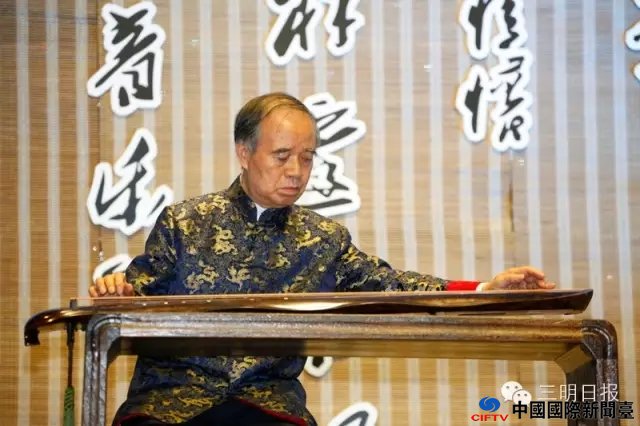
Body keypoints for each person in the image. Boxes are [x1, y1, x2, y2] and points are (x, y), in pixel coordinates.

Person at [90, 92, 555, 426]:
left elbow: (390, 284)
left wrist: (484, 290)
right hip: (172, 404)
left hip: (267, 405)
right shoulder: (186, 221)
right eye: (282, 156)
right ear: (244, 153)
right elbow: (136, 296)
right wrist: (117, 292)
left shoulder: (322, 238)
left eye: (307, 157)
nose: (296, 171)